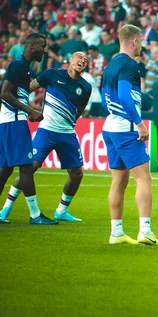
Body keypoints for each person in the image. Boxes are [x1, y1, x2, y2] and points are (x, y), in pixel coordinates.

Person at [0, 52, 91, 223]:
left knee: (77, 173)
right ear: (70, 59)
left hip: (67, 133)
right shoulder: (52, 74)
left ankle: (62, 211)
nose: (82, 61)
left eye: (85, 60)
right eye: (79, 57)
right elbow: (28, 89)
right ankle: (6, 208)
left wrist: (67, 120)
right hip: (46, 131)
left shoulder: (85, 86)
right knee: (29, 168)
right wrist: (29, 109)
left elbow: (80, 109)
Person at [101, 25, 158, 246]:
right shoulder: (129, 64)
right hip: (126, 130)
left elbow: (104, 94)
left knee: (119, 181)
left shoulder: (111, 65)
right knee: (144, 178)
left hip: (110, 127)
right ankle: (145, 230)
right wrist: (139, 124)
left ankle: (116, 232)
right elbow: (125, 96)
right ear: (135, 41)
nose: (142, 45)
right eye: (141, 41)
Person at [0, 33, 55, 225]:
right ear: (32, 47)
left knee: (5, 169)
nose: (44, 50)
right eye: (43, 46)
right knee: (25, 167)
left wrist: (28, 111)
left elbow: (15, 94)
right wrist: (29, 110)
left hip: (10, 120)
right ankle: (35, 215)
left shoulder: (23, 66)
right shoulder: (18, 65)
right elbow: (5, 93)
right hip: (13, 121)